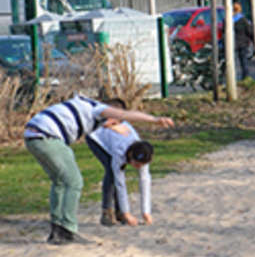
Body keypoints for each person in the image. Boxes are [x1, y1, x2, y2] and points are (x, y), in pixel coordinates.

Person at [23, 94, 173, 244]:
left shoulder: (88, 106)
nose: (115, 122)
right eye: (114, 119)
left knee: (60, 182)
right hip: (47, 136)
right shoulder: (98, 109)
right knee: (74, 182)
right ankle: (67, 230)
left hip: (33, 135)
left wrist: (145, 212)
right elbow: (125, 114)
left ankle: (57, 230)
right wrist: (155, 120)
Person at [86, 119, 155, 227]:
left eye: (141, 164)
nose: (139, 167)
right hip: (97, 137)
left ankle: (120, 212)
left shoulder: (144, 153)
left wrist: (146, 212)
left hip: (114, 138)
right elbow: (120, 183)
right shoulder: (119, 151)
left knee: (115, 173)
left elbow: (145, 181)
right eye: (136, 164)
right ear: (130, 155)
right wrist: (127, 213)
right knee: (111, 173)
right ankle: (107, 212)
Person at [232, 2, 255, 80]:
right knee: (243, 62)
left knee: (232, 63)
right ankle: (245, 78)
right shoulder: (244, 20)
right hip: (243, 43)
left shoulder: (228, 20)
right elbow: (249, 32)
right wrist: (254, 42)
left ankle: (233, 79)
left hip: (232, 44)